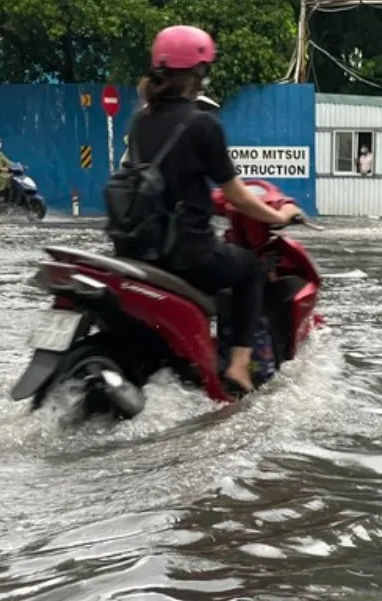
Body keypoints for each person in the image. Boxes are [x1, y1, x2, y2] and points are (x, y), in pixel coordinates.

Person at [122, 24, 303, 394]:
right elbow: (236, 196)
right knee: (250, 270)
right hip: (186, 252)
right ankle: (238, 366)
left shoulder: (141, 121)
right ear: (199, 73)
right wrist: (280, 216)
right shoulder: (203, 125)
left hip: (140, 248)